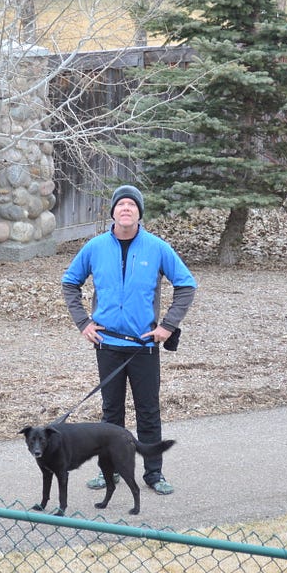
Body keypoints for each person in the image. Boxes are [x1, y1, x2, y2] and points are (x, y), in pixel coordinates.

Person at [61, 184, 196, 495]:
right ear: (112, 212)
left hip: (143, 347)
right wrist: (83, 323)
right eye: (120, 205)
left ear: (139, 213)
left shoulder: (157, 248)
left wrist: (168, 326)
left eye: (131, 206)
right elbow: (70, 283)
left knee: (148, 411)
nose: (125, 209)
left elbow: (186, 285)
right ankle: (110, 472)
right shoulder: (95, 247)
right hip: (107, 344)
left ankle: (153, 473)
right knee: (111, 414)